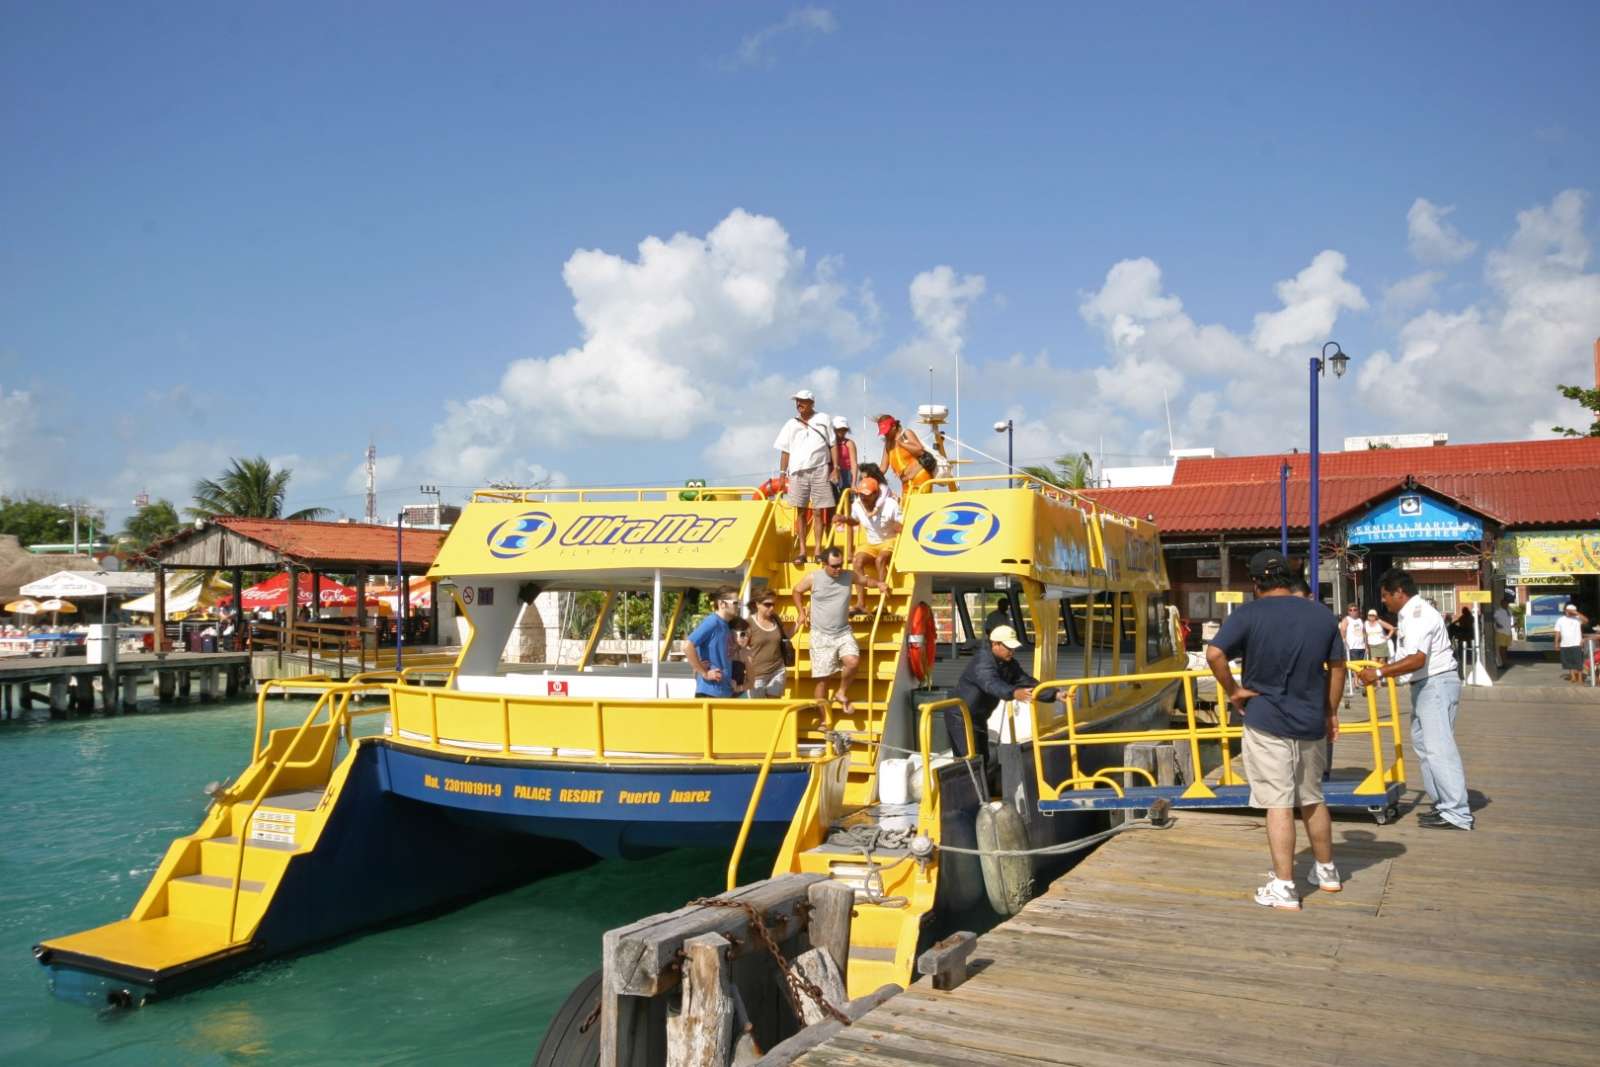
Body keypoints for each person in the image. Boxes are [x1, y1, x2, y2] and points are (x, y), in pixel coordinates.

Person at [1205, 549, 1346, 910]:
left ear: (1255, 583)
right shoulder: (1321, 615)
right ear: (1290, 576)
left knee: (1278, 802)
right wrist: (1330, 712)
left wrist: (1233, 690)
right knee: (1312, 796)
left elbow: (1214, 654)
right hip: (1311, 718)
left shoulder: (1248, 614)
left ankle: (1285, 887)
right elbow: (1337, 667)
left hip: (1266, 719)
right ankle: (1327, 871)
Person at [1356, 568, 1472, 831]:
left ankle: (1457, 812)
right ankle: (1443, 805)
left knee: (1439, 748)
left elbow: (1418, 659)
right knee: (1424, 746)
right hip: (1426, 685)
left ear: (1400, 592)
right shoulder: (1409, 615)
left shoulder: (1418, 615)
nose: (1383, 601)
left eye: (1386, 595)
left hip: (1436, 684)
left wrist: (1378, 672)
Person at [953, 624, 1056, 767]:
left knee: (983, 759)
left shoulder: (1008, 664)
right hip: (961, 718)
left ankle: (984, 787)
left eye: (1013, 648)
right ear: (995, 644)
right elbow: (992, 684)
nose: (1012, 651)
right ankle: (970, 788)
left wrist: (1055, 694)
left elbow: (1026, 681)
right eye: (1009, 647)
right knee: (969, 763)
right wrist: (1013, 692)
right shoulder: (983, 663)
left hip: (978, 717)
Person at [792, 547, 861, 715]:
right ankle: (824, 720)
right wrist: (801, 612)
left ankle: (841, 692)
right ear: (825, 564)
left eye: (840, 565)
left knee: (853, 662)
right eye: (834, 566)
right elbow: (796, 590)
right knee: (823, 681)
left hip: (842, 631)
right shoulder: (813, 577)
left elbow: (866, 581)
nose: (838, 569)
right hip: (820, 634)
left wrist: (880, 584)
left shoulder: (848, 575)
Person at [773, 389, 837, 565]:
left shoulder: (823, 418)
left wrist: (836, 467)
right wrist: (781, 474)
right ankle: (802, 550)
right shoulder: (790, 424)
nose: (799, 404)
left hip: (820, 468)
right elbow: (785, 450)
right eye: (797, 401)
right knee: (800, 511)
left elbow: (833, 444)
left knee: (818, 511)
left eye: (802, 401)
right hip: (797, 471)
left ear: (811, 403)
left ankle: (817, 549)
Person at [834, 476, 901, 613]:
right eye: (860, 494)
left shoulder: (890, 504)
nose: (863, 498)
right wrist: (845, 519)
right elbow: (855, 521)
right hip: (872, 543)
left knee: (880, 559)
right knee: (857, 560)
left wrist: (898, 526)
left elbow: (902, 523)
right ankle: (861, 604)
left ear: (876, 494)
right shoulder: (857, 505)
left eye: (866, 495)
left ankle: (883, 604)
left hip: (890, 541)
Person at [684, 586, 740, 699]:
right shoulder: (712, 622)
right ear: (722, 604)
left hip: (722, 691)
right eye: (735, 603)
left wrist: (730, 680)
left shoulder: (725, 625)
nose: (738, 606)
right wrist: (705, 673)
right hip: (710, 693)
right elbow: (687, 646)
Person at [744, 593, 792, 698]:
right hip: (757, 675)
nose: (772, 608)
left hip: (778, 671)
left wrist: (798, 623)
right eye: (768, 604)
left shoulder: (775, 619)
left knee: (774, 707)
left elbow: (786, 635)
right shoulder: (749, 623)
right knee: (758, 709)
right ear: (757, 604)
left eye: (774, 604)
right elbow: (741, 646)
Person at [876, 414, 934, 497]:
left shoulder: (906, 433)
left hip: (919, 477)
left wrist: (901, 444)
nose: (885, 434)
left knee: (917, 507)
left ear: (894, 426)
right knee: (904, 508)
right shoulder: (887, 445)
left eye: (887, 431)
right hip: (906, 482)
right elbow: (883, 468)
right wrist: (871, 476)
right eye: (883, 432)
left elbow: (919, 450)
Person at [1555, 602, 1590, 684]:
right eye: (1568, 611)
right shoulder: (1560, 620)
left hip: (1576, 643)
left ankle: (1580, 678)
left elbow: (1586, 620)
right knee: (1568, 662)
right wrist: (1556, 643)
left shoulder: (1578, 618)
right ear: (1565, 611)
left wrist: (1576, 613)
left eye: (1571, 611)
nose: (1569, 612)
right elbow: (1557, 632)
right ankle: (1573, 677)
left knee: (1578, 662)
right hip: (1565, 644)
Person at [1340, 604, 1368, 696]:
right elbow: (1343, 630)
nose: (1352, 611)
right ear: (1348, 611)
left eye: (1354, 610)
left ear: (1358, 611)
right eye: (1350, 610)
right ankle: (1356, 682)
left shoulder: (1360, 620)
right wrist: (1344, 641)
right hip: (1352, 646)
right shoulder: (1346, 619)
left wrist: (1366, 645)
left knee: (1362, 665)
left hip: (1361, 646)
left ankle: (1357, 682)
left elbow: (1364, 633)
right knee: (1356, 665)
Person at [831, 416, 858, 500]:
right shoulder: (829, 443)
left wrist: (853, 483)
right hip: (832, 473)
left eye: (844, 429)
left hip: (846, 474)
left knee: (846, 499)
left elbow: (854, 464)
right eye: (839, 429)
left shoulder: (849, 443)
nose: (842, 432)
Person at [727, 616, 751, 696]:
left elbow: (751, 682)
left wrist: (738, 688)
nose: (746, 638)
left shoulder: (747, 654)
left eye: (748, 635)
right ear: (732, 633)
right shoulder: (722, 650)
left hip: (736, 697)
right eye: (743, 634)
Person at [1493, 597, 1515, 669]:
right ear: (1501, 604)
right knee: (1502, 648)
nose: (1506, 604)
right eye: (1505, 603)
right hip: (1501, 632)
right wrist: (1497, 624)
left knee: (1505, 648)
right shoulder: (1498, 611)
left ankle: (1504, 662)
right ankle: (1502, 663)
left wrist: (1514, 624)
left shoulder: (1509, 611)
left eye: (1507, 603)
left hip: (1508, 632)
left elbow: (1512, 619)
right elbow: (1494, 619)